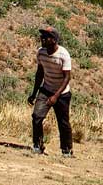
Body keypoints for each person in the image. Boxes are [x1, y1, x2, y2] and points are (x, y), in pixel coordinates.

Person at [27, 25, 74, 156]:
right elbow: (39, 73)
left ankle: (67, 150)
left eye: (46, 37)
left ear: (54, 40)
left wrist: (55, 96)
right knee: (36, 117)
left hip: (62, 93)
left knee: (63, 122)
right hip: (46, 89)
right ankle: (38, 145)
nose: (42, 39)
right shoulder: (41, 52)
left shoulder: (63, 55)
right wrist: (34, 93)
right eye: (42, 36)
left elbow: (67, 78)